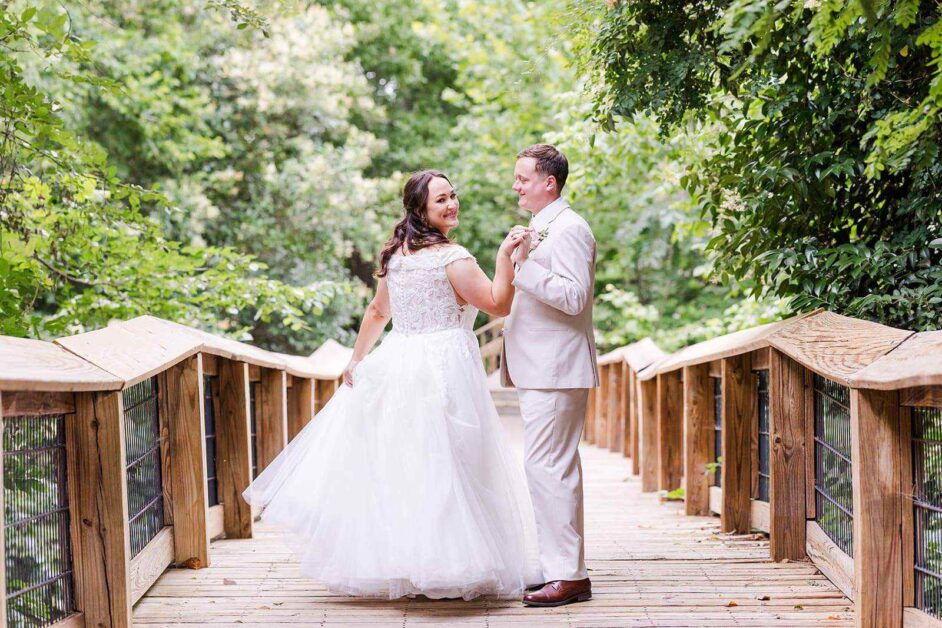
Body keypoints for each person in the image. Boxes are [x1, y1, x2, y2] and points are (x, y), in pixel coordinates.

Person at [242, 169, 542, 600]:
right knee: (450, 461)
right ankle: (447, 563)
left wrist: (358, 358)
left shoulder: (395, 256)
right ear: (420, 208)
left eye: (453, 195)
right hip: (442, 366)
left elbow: (378, 313)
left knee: (410, 464)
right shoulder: (454, 258)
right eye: (441, 199)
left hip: (400, 361)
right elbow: (498, 301)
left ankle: (412, 562)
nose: (451, 204)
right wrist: (504, 258)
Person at [500, 144, 599, 607]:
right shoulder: (544, 226)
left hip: (556, 368)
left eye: (523, 178)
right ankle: (558, 565)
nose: (516, 186)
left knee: (549, 469)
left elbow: (574, 297)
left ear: (548, 183)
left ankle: (569, 575)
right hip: (542, 368)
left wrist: (523, 265)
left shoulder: (571, 228)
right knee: (548, 468)